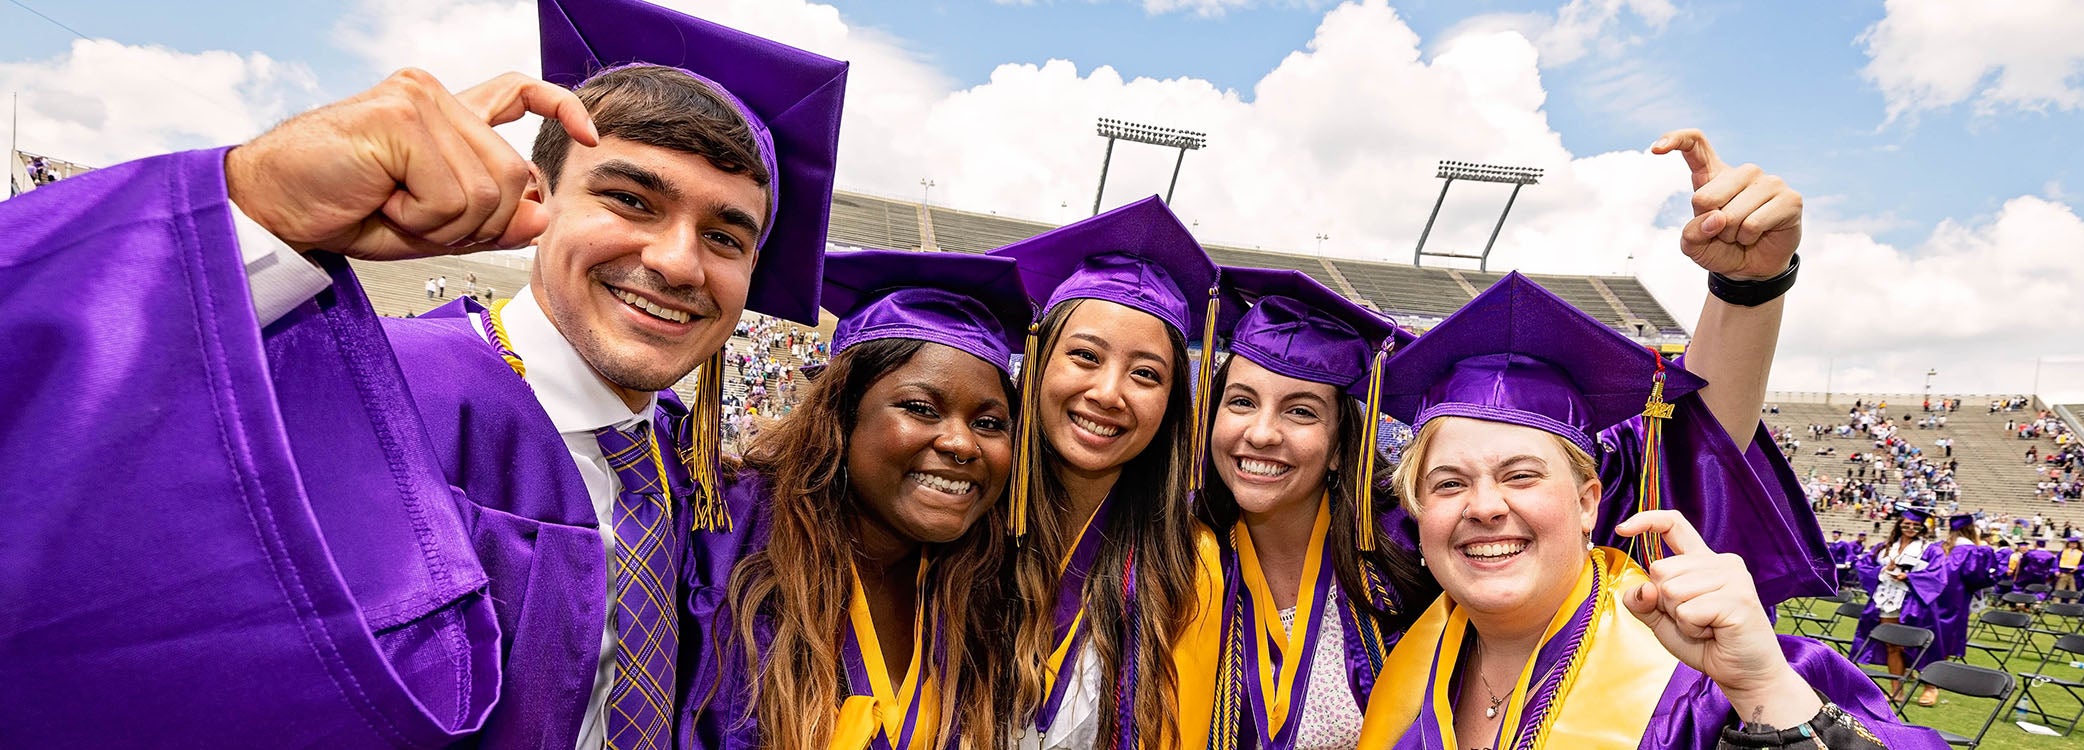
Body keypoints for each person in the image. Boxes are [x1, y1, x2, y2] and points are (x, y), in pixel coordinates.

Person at [0, 0, 850, 746]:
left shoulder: (694, 485)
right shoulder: (371, 397)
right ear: (536, 198)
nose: (676, 262)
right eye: (630, 200)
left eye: (727, 237)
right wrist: (254, 209)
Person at [1353, 273, 1942, 748]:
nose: (1483, 507)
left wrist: (1765, 691)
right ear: (1416, 512)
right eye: (1449, 483)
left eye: (1521, 475)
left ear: (1588, 503)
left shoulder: (1706, 682)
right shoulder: (1398, 652)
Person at [689, 249, 1030, 748]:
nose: (962, 443)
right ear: (842, 417)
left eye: (989, 423)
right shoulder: (725, 541)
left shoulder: (987, 586)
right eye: (920, 408)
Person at [990, 196, 1224, 749]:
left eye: (1145, 373)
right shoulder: (959, 522)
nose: (1108, 393)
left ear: (1171, 403)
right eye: (1086, 356)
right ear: (1041, 359)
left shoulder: (1192, 565)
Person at [1195, 266, 1438, 747]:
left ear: (1341, 447)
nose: (1261, 433)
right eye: (1241, 401)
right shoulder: (1171, 555)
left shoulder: (1411, 557)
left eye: (1301, 410)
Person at [1899, 514, 1994, 707]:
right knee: (1943, 641)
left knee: (1927, 638)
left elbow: (1919, 570)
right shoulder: (1973, 551)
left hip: (1926, 598)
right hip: (1954, 602)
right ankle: (1932, 686)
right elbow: (1977, 578)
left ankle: (1928, 680)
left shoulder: (1938, 547)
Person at [1851, 507, 1930, 701]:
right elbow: (1863, 566)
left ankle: (1930, 687)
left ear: (1922, 528)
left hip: (1913, 601)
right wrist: (1884, 569)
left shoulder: (1929, 548)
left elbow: (1937, 575)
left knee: (1915, 645)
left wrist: (1909, 576)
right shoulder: (1884, 546)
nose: (1911, 528)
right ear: (1899, 524)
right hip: (1886, 598)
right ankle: (1897, 690)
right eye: (1907, 524)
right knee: (1892, 644)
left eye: (1916, 525)